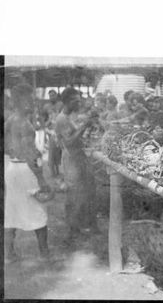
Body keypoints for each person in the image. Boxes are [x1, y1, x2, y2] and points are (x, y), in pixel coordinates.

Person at [4, 84, 50, 263]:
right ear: (20, 101)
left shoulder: (10, 121)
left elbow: (7, 146)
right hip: (25, 170)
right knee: (39, 212)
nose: (32, 102)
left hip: (12, 169)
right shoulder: (24, 124)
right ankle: (45, 255)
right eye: (29, 99)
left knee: (12, 212)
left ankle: (8, 255)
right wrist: (41, 179)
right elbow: (30, 155)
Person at [55, 88, 99, 242]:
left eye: (79, 99)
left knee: (84, 193)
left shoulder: (70, 116)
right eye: (75, 100)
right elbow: (69, 141)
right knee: (73, 195)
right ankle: (71, 232)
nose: (79, 102)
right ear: (66, 101)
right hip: (71, 160)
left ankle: (79, 226)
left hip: (78, 158)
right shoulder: (61, 119)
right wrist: (84, 126)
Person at [42, 90, 64, 179]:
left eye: (53, 95)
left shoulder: (61, 104)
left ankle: (59, 171)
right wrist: (46, 126)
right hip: (51, 131)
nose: (52, 97)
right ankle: (53, 172)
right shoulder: (46, 106)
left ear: (56, 96)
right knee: (51, 152)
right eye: (50, 96)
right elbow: (43, 119)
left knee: (60, 152)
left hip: (60, 131)